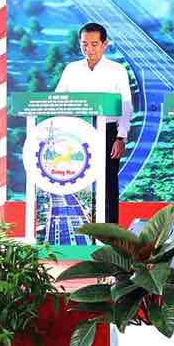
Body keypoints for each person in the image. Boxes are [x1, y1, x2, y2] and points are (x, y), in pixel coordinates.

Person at [54, 22, 134, 224]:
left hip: (107, 133)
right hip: (77, 135)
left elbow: (126, 106)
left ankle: (110, 235)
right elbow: (57, 101)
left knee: (108, 183)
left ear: (105, 44)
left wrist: (121, 137)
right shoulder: (71, 69)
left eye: (94, 44)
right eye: (84, 44)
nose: (88, 49)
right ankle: (81, 228)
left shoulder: (117, 70)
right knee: (77, 179)